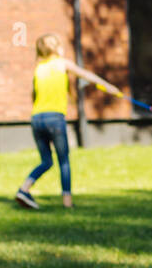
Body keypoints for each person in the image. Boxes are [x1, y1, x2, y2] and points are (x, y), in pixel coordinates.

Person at [15, 33, 119, 210]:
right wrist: (109, 87)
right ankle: (67, 203)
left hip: (36, 118)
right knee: (63, 160)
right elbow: (87, 76)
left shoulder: (39, 68)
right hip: (55, 118)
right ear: (56, 48)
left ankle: (24, 189)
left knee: (46, 161)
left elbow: (34, 96)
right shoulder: (62, 63)